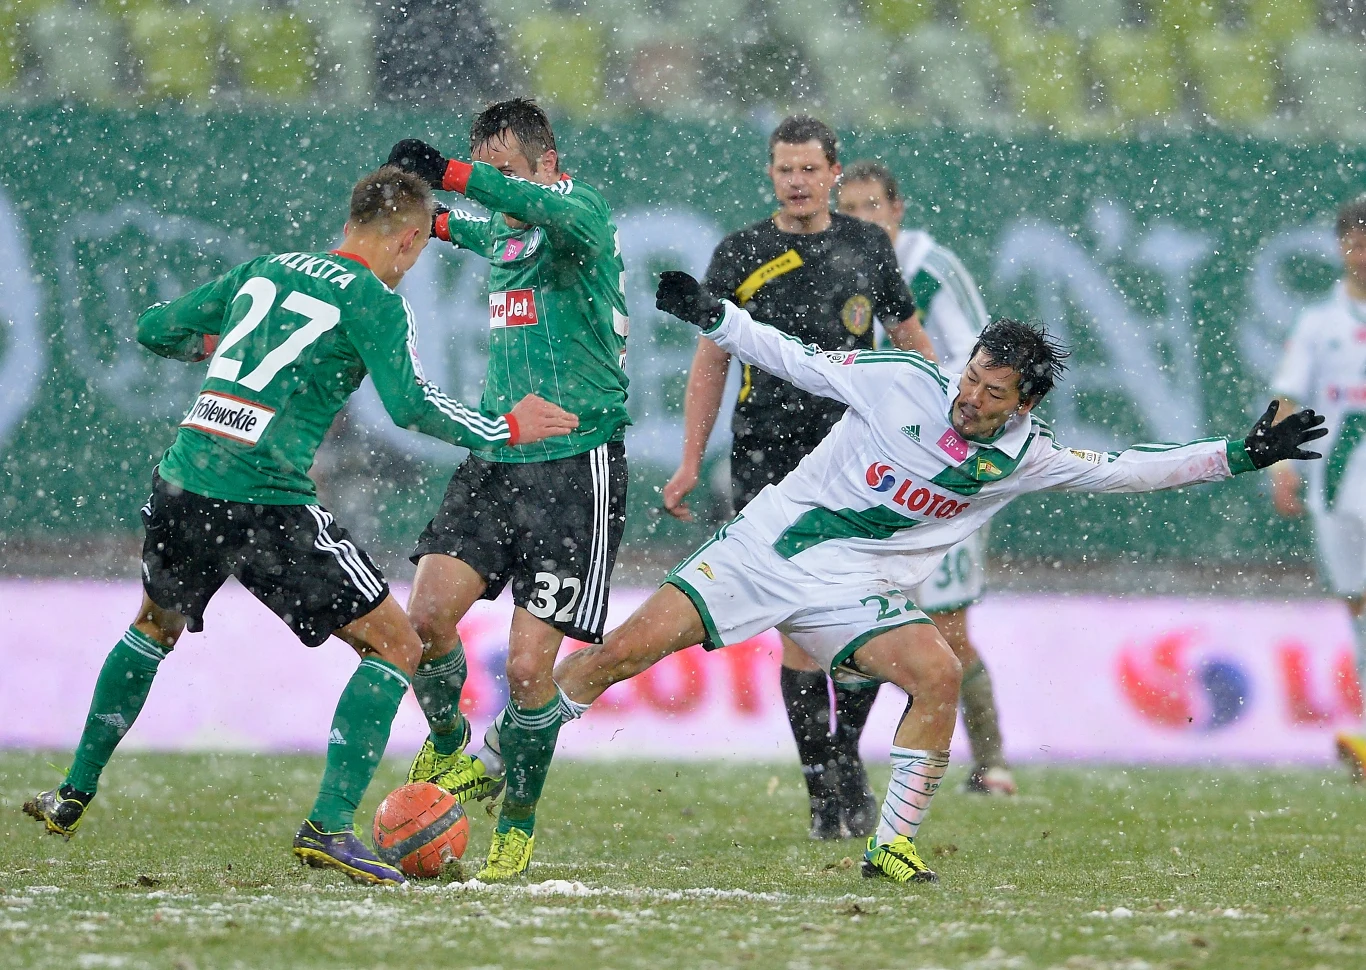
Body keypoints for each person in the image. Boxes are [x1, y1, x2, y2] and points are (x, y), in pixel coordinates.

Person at [477, 270, 1325, 884]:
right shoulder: (901, 382)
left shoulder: (1027, 458)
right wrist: (720, 318)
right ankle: (490, 763)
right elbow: (798, 358)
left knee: (938, 673)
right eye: (970, 379)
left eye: (991, 394)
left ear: (1021, 404)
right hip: (765, 551)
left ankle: (892, 846)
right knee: (610, 658)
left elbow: (1128, 469)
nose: (969, 398)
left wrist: (1239, 455)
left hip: (852, 594)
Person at [22, 167, 578, 887]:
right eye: (416, 252)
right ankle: (330, 826)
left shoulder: (264, 269)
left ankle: (73, 792)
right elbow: (412, 408)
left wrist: (216, 350)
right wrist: (505, 427)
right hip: (264, 499)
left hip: (186, 477)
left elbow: (154, 327)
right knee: (397, 644)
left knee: (152, 626)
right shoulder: (372, 301)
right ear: (410, 239)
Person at [660, 116, 935, 840]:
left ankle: (844, 754)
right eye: (785, 169)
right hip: (768, 456)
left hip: (861, 455)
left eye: (810, 169)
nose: (798, 181)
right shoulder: (742, 251)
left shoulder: (867, 246)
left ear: (833, 171)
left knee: (874, 606)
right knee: (801, 628)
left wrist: (939, 428)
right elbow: (712, 358)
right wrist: (692, 460)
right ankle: (823, 791)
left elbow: (909, 340)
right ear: (771, 173)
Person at [383, 98, 631, 881]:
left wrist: (456, 175)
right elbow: (476, 226)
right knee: (423, 619)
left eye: (509, 171)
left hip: (576, 468)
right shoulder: (511, 232)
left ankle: (516, 821)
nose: (496, 186)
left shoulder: (581, 214)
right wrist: (422, 211)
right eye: (484, 169)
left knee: (528, 673)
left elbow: (515, 204)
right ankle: (455, 751)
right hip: (500, 454)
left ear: (548, 165)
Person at [831, 159, 1014, 801]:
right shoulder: (827, 267)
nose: (860, 221)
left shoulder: (930, 269)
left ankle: (991, 762)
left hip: (943, 471)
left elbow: (990, 360)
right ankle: (842, 766)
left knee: (948, 628)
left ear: (897, 210)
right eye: (848, 209)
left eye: (871, 207)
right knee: (855, 615)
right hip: (871, 473)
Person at [1270, 194, 1366, 781]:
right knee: (1356, 603)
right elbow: (1288, 396)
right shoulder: (1318, 322)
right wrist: (1282, 464)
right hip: (1336, 483)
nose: (1361, 250)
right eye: (1354, 238)